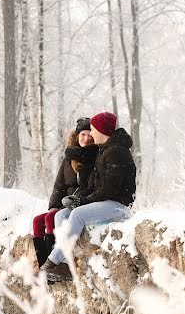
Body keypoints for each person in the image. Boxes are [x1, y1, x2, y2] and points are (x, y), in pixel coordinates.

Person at [40, 111, 136, 282]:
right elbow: (94, 185)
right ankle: (66, 265)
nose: (91, 134)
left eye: (92, 129)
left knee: (78, 214)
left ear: (101, 131)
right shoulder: (104, 150)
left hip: (119, 205)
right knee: (62, 214)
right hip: (106, 202)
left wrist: (82, 202)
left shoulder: (117, 152)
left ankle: (52, 260)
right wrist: (77, 199)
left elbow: (109, 190)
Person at [31, 117, 98, 267]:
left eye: (89, 135)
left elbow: (88, 186)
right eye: (83, 135)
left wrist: (72, 201)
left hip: (76, 203)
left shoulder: (93, 157)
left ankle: (56, 264)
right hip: (63, 204)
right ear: (77, 136)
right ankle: (44, 266)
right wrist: (54, 206)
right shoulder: (69, 158)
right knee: (37, 221)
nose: (86, 139)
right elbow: (59, 186)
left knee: (50, 219)